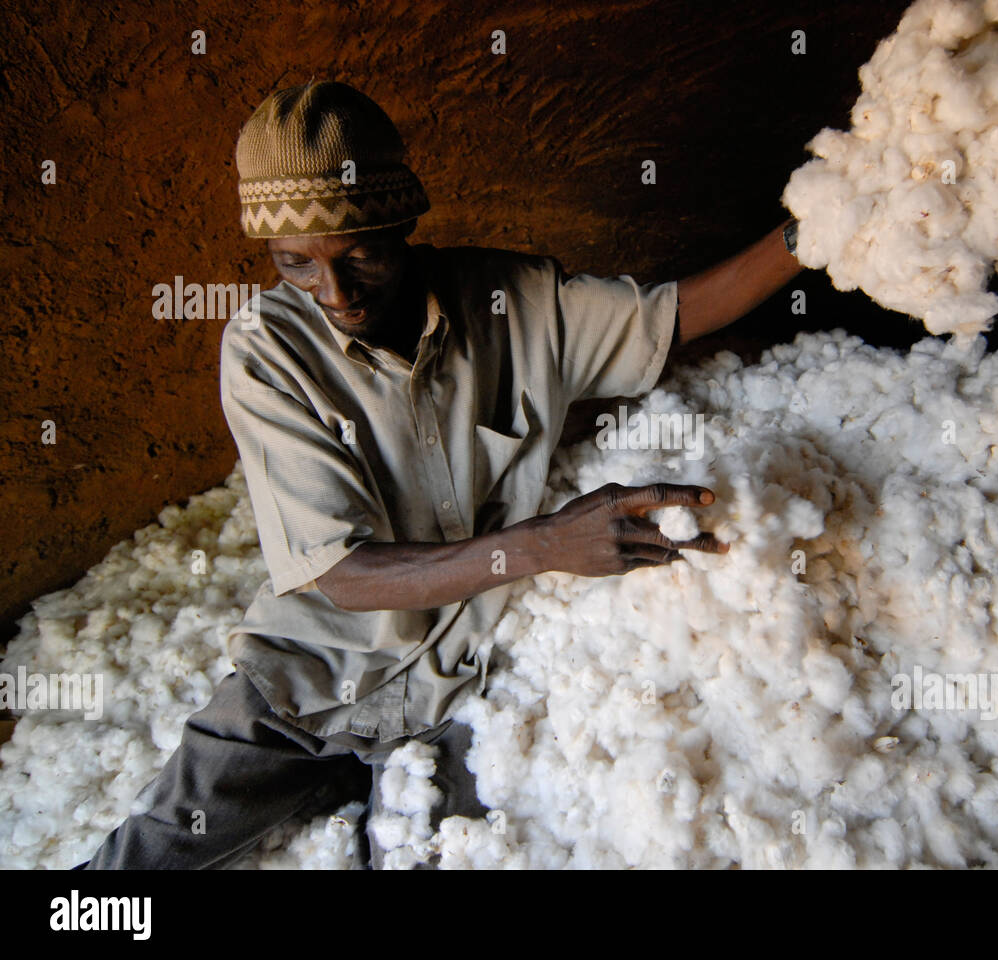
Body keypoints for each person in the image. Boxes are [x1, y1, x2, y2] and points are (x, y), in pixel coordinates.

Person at [80, 80, 803, 869]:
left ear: (404, 221)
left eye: (362, 255)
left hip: (464, 680)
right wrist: (544, 545)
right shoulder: (265, 350)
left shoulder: (515, 300)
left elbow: (678, 313)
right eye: (296, 264)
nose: (337, 293)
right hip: (318, 668)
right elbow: (345, 577)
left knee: (436, 851)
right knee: (140, 863)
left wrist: (821, 227)